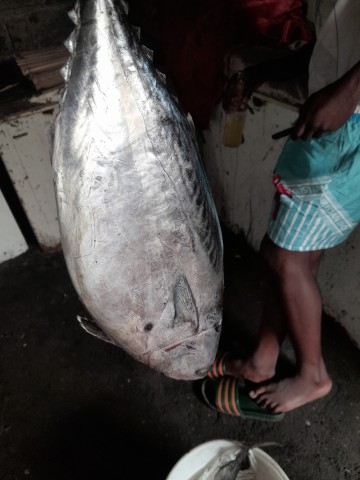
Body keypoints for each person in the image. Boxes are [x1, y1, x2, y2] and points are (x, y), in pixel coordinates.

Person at [205, 0, 360, 416]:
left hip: (352, 131)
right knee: (294, 251)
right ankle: (263, 360)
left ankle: (313, 376)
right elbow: (332, 49)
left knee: (283, 256)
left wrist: (349, 92)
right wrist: (260, 73)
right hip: (337, 125)